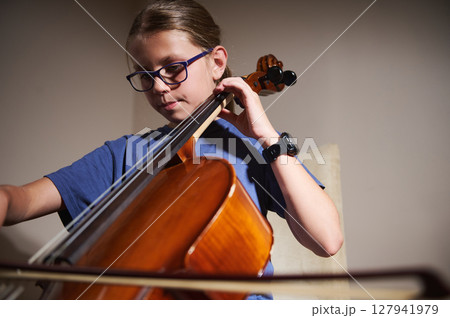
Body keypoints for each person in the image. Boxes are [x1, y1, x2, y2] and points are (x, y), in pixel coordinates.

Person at [0, 0, 343, 299]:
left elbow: (326, 240)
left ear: (217, 63)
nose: (159, 87)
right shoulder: (126, 154)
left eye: (174, 68)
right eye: (145, 75)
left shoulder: (253, 150)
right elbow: (21, 200)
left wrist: (266, 137)